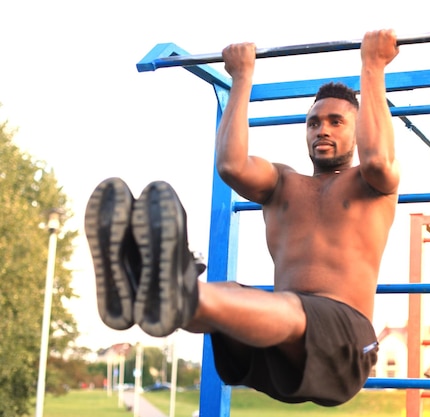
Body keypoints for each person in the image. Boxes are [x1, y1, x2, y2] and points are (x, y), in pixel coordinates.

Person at [85, 29, 400, 407]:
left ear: (360, 127)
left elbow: (379, 157)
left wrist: (373, 65)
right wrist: (241, 79)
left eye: (336, 121)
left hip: (346, 344)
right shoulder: (283, 183)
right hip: (279, 349)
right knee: (231, 293)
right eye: (314, 123)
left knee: (285, 308)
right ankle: (145, 289)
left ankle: (171, 284)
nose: (322, 130)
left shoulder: (371, 184)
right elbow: (231, 165)